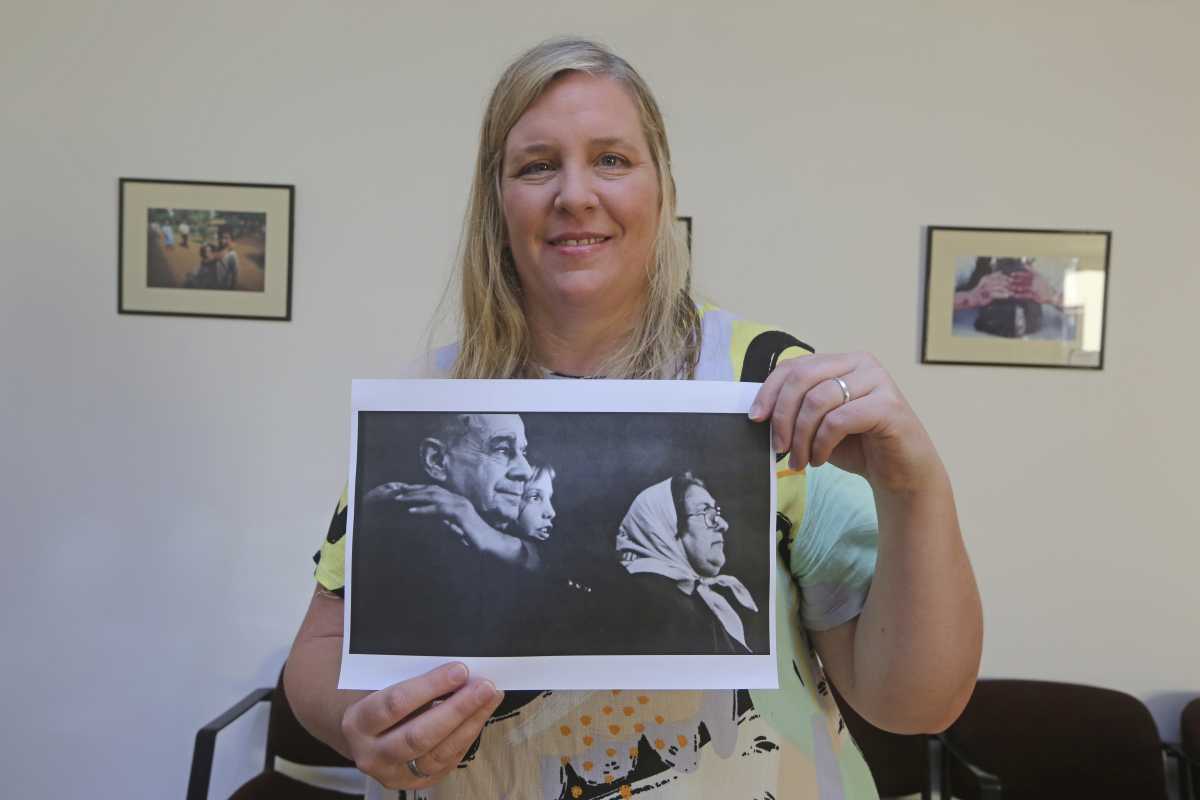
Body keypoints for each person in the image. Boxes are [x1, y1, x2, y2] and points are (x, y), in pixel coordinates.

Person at [286, 38, 982, 799]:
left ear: (663, 189)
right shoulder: (438, 404)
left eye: (612, 160)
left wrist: (917, 486)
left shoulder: (765, 381)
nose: (575, 195)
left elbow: (916, 701)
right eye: (537, 165)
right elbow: (323, 646)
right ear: (496, 198)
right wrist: (365, 722)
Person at [350, 413, 537, 656]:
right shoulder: (400, 539)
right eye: (502, 449)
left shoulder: (503, 534)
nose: (525, 470)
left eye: (523, 452)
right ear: (436, 460)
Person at [616, 472, 761, 655]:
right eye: (706, 513)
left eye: (716, 513)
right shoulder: (650, 606)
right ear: (664, 527)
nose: (723, 524)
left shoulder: (691, 600)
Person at [214, 225, 238, 289]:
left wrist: (233, 288)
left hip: (225, 286)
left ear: (231, 239)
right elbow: (215, 257)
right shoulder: (217, 249)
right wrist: (227, 249)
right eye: (221, 237)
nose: (222, 240)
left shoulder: (232, 254)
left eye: (226, 238)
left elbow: (235, 274)